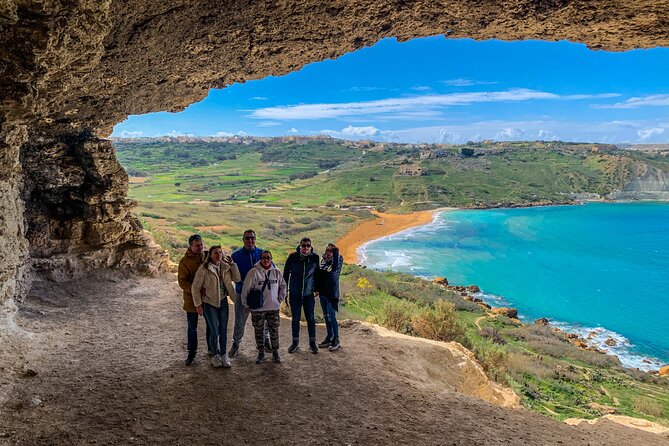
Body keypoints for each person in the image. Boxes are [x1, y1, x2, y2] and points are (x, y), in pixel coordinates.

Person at [192, 245, 240, 368]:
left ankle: (224, 354)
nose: (218, 255)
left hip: (223, 301)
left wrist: (233, 265)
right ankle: (215, 355)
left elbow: (237, 278)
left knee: (223, 330)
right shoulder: (204, 269)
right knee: (214, 330)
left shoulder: (226, 267)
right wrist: (198, 305)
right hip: (209, 303)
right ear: (210, 255)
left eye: (220, 252)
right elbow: (196, 288)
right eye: (215, 253)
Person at [229, 229, 270, 357]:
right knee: (240, 320)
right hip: (242, 293)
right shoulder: (236, 256)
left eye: (252, 238)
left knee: (263, 321)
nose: (250, 240)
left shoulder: (262, 253)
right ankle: (236, 343)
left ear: (255, 239)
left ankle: (264, 341)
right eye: (247, 238)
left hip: (260, 295)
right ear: (243, 240)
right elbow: (232, 275)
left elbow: (271, 270)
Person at [241, 251, 286, 364]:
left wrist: (279, 299)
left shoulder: (276, 272)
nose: (266, 260)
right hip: (258, 309)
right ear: (260, 259)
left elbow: (283, 286)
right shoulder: (253, 272)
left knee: (274, 331)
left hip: (273, 308)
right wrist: (246, 304)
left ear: (271, 259)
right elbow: (246, 289)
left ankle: (275, 352)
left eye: (268, 258)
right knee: (259, 331)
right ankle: (261, 353)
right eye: (264, 258)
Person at [177, 234, 212, 366]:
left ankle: (212, 349)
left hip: (208, 299)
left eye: (201, 244)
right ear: (190, 246)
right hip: (191, 300)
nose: (200, 247)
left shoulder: (208, 257)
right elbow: (182, 282)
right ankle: (192, 352)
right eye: (197, 245)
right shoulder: (184, 262)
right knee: (192, 328)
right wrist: (196, 289)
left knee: (211, 325)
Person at [283, 237, 320, 354]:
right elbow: (285, 275)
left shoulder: (315, 258)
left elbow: (317, 274)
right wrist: (284, 291)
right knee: (295, 319)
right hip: (295, 294)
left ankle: (312, 343)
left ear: (311, 247)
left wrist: (317, 289)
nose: (305, 248)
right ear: (300, 246)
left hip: (308, 295)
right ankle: (295, 343)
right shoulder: (292, 257)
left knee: (311, 319)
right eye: (303, 245)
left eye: (308, 245)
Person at [317, 243, 343, 351]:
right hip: (323, 293)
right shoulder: (324, 262)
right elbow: (320, 276)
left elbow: (335, 267)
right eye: (327, 250)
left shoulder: (337, 262)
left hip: (332, 294)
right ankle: (329, 337)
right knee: (326, 316)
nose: (328, 253)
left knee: (332, 317)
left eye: (331, 251)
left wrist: (335, 251)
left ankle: (336, 339)